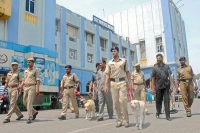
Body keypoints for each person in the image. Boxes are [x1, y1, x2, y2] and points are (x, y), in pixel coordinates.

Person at [104, 46, 133, 128]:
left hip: (122, 82)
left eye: (114, 51)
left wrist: (130, 83)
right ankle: (119, 120)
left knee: (123, 101)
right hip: (113, 83)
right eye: (112, 51)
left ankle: (126, 121)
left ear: (118, 52)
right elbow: (107, 75)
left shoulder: (123, 61)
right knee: (115, 103)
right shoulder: (109, 63)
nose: (113, 52)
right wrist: (106, 85)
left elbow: (127, 72)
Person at [18, 58, 40, 124]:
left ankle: (29, 118)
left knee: (29, 102)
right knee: (25, 102)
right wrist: (20, 87)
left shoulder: (36, 70)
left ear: (33, 63)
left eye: (29, 62)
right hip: (25, 87)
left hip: (32, 87)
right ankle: (34, 112)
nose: (28, 63)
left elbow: (37, 81)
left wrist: (37, 89)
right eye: (28, 62)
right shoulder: (26, 71)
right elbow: (24, 80)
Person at [150, 54, 171, 121]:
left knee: (167, 100)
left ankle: (168, 116)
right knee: (158, 101)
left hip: (166, 86)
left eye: (159, 58)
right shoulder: (155, 68)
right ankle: (158, 112)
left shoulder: (167, 67)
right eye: (157, 58)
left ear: (162, 58)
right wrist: (152, 88)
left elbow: (170, 76)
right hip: (158, 86)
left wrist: (172, 86)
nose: (158, 59)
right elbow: (153, 78)